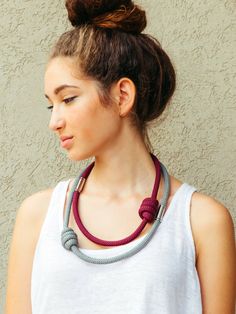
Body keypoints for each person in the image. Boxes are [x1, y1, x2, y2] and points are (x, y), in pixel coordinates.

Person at [5, 0, 236, 313]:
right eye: (51, 104)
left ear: (122, 95)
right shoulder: (37, 216)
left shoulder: (202, 221)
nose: (54, 121)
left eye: (68, 99)